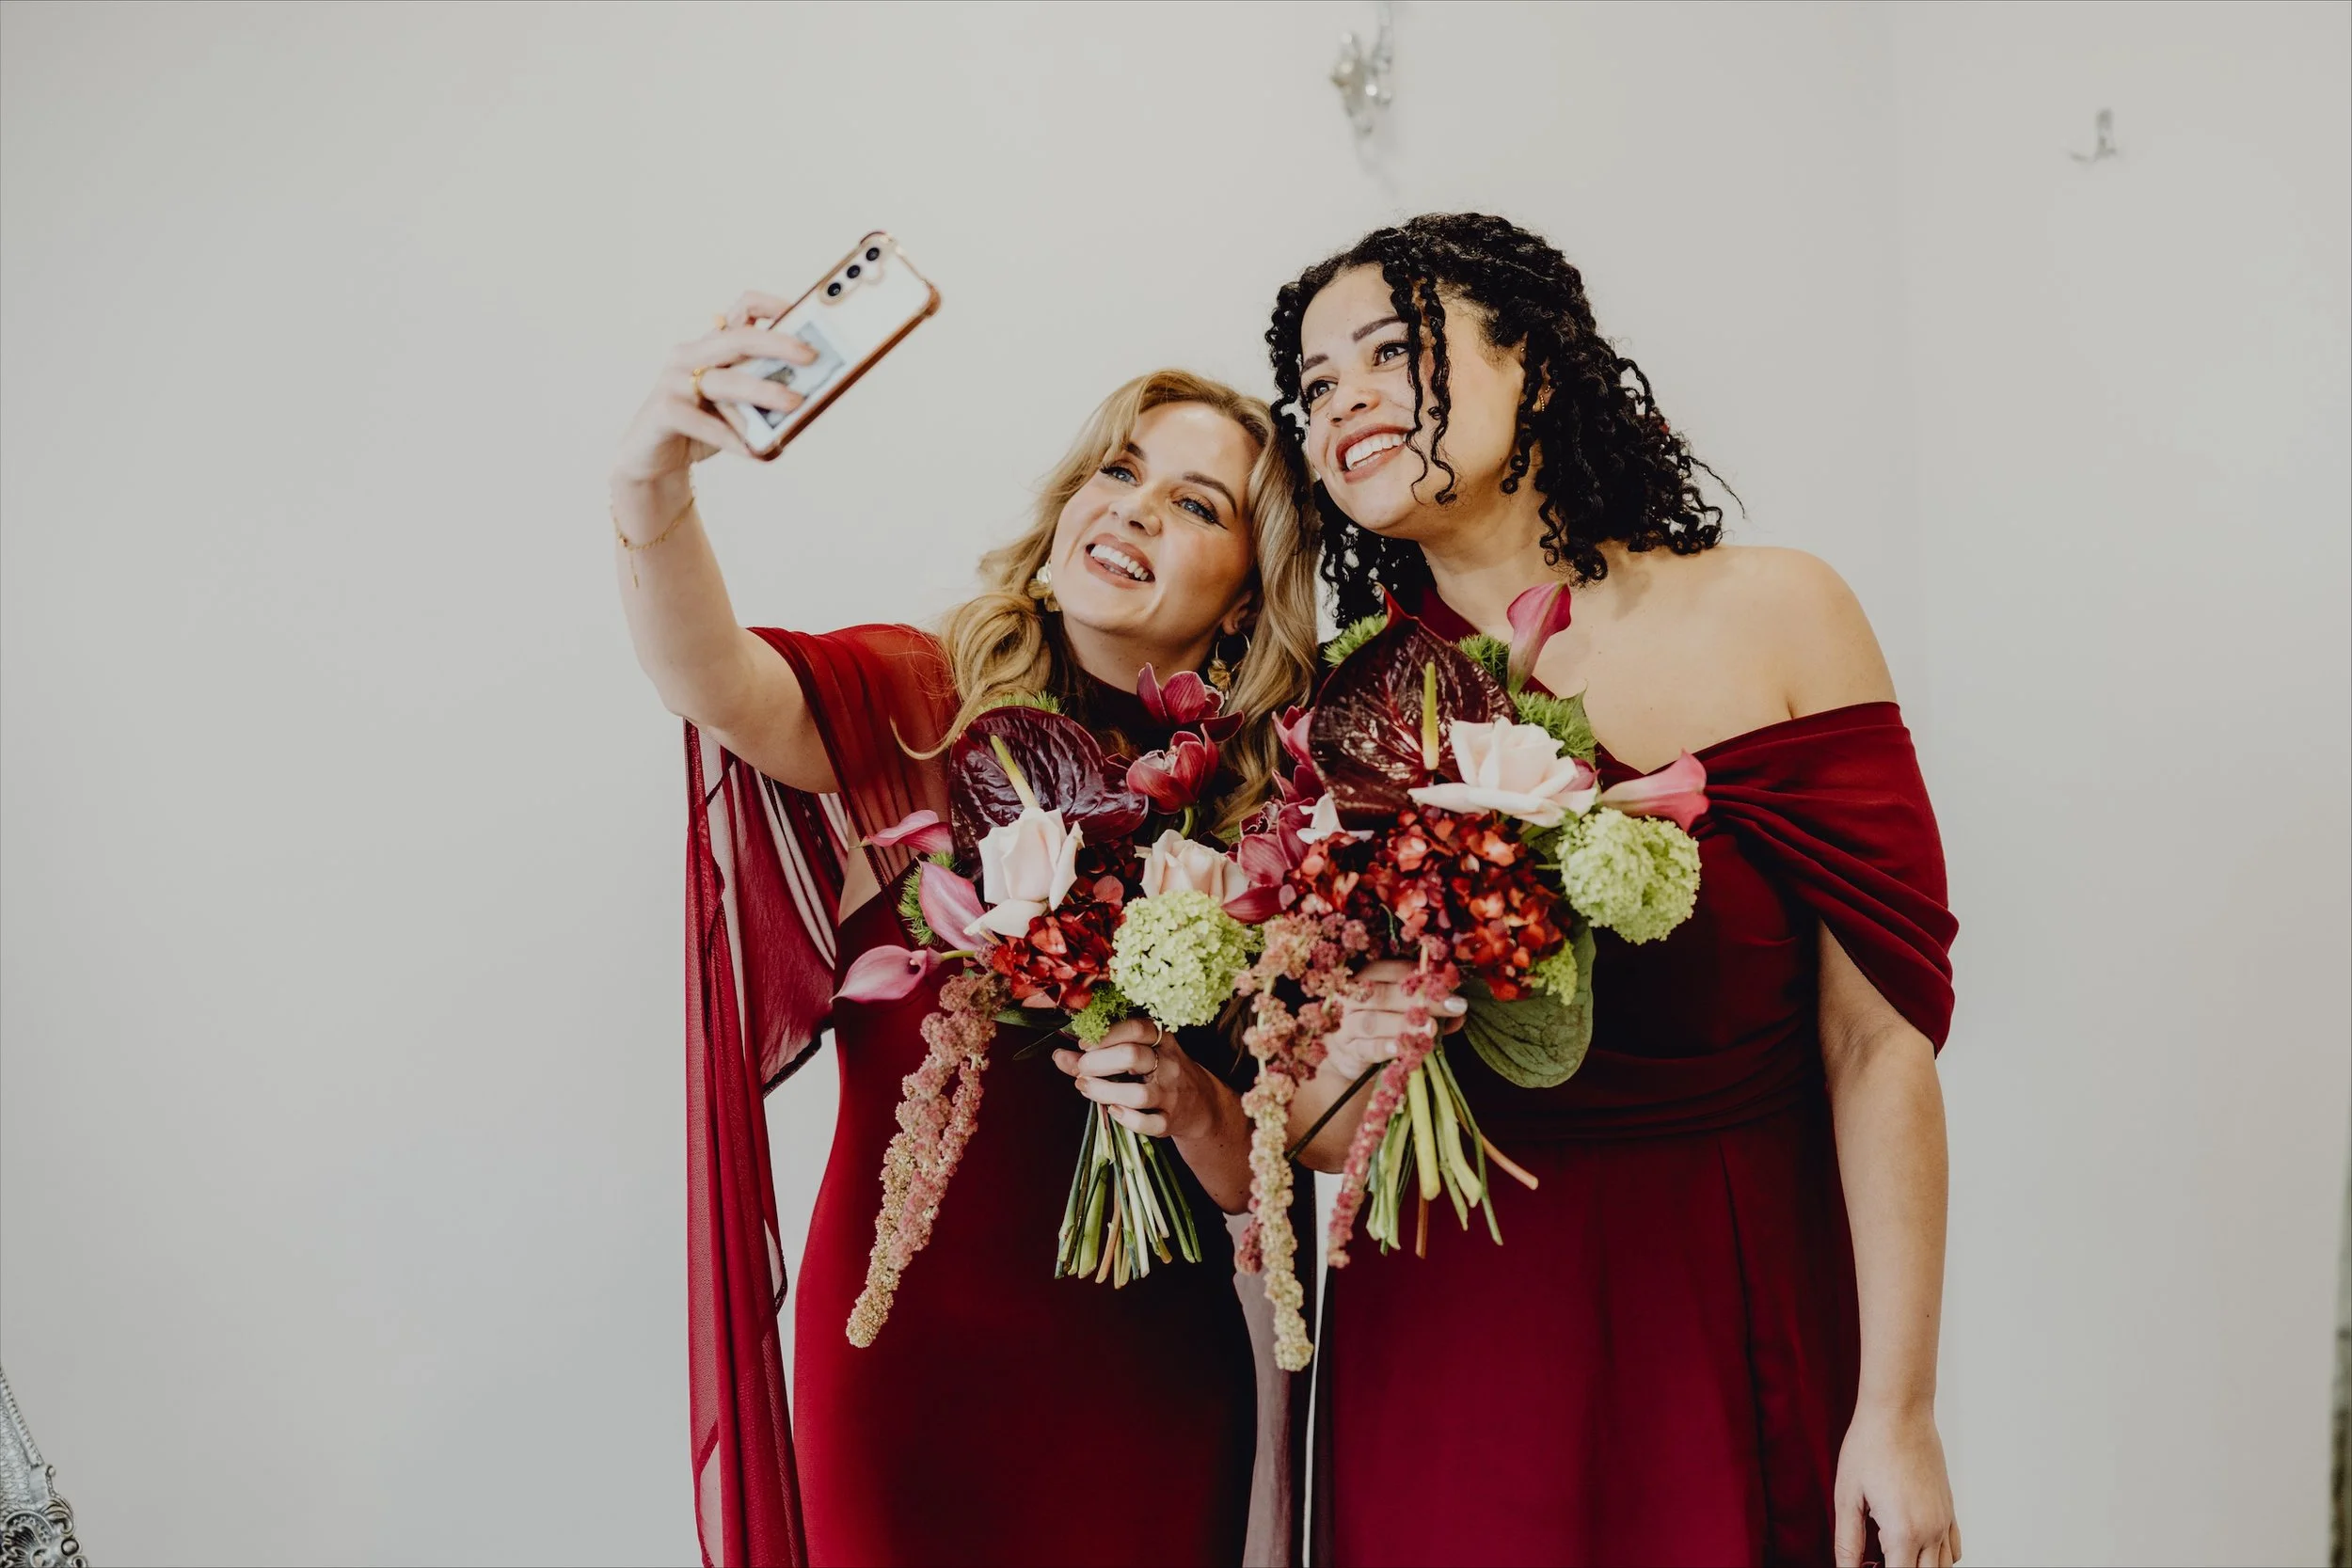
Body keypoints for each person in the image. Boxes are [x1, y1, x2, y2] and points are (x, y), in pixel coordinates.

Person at [1268, 214, 1963, 1568]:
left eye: (1389, 351)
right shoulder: (1344, 712)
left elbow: (1877, 1044)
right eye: (1311, 383)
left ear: (1531, 362)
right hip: (1448, 1337)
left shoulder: (1781, 613)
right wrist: (1343, 1044)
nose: (1337, 396)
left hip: (1728, 1297)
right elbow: (1315, 1131)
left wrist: (1902, 1406)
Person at [611, 293, 1320, 1567]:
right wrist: (652, 478)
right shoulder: (916, 705)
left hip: (1148, 1390)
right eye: (1121, 468)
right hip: (903, 1367)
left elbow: (1277, 1178)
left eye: (1200, 504)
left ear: (1242, 603)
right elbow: (709, 674)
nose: (1139, 506)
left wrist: (1195, 1101)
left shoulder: (1268, 810)